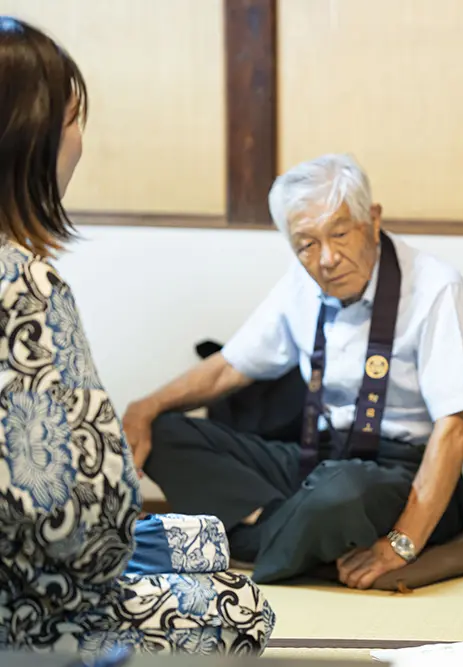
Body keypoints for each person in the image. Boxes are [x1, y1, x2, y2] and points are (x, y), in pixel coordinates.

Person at [0, 17, 273, 657]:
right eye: (72, 121)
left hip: (41, 550)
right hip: (31, 597)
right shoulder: (25, 284)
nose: (81, 142)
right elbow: (75, 503)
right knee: (242, 607)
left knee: (203, 538)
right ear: (28, 138)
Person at [123, 153, 463, 588]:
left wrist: (401, 544)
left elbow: (457, 429)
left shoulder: (434, 287)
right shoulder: (300, 286)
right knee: (167, 433)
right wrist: (144, 408)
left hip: (403, 472)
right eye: (307, 244)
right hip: (317, 462)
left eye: (339, 233)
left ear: (372, 220)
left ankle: (234, 547)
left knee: (341, 492)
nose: (327, 258)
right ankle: (304, 536)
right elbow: (227, 369)